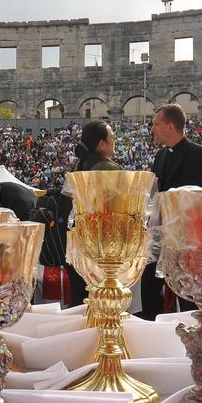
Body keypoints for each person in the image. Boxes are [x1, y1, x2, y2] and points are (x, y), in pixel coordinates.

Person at [139, 103, 202, 318]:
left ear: (170, 125)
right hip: (160, 235)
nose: (152, 128)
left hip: (189, 238)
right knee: (149, 286)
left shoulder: (200, 155)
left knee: (188, 293)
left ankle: (193, 330)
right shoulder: (160, 156)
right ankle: (152, 326)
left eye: (156, 124)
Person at [66, 120, 123, 308]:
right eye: (112, 139)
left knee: (81, 300)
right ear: (101, 144)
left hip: (79, 241)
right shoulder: (109, 169)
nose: (114, 142)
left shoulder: (79, 166)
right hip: (103, 243)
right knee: (105, 300)